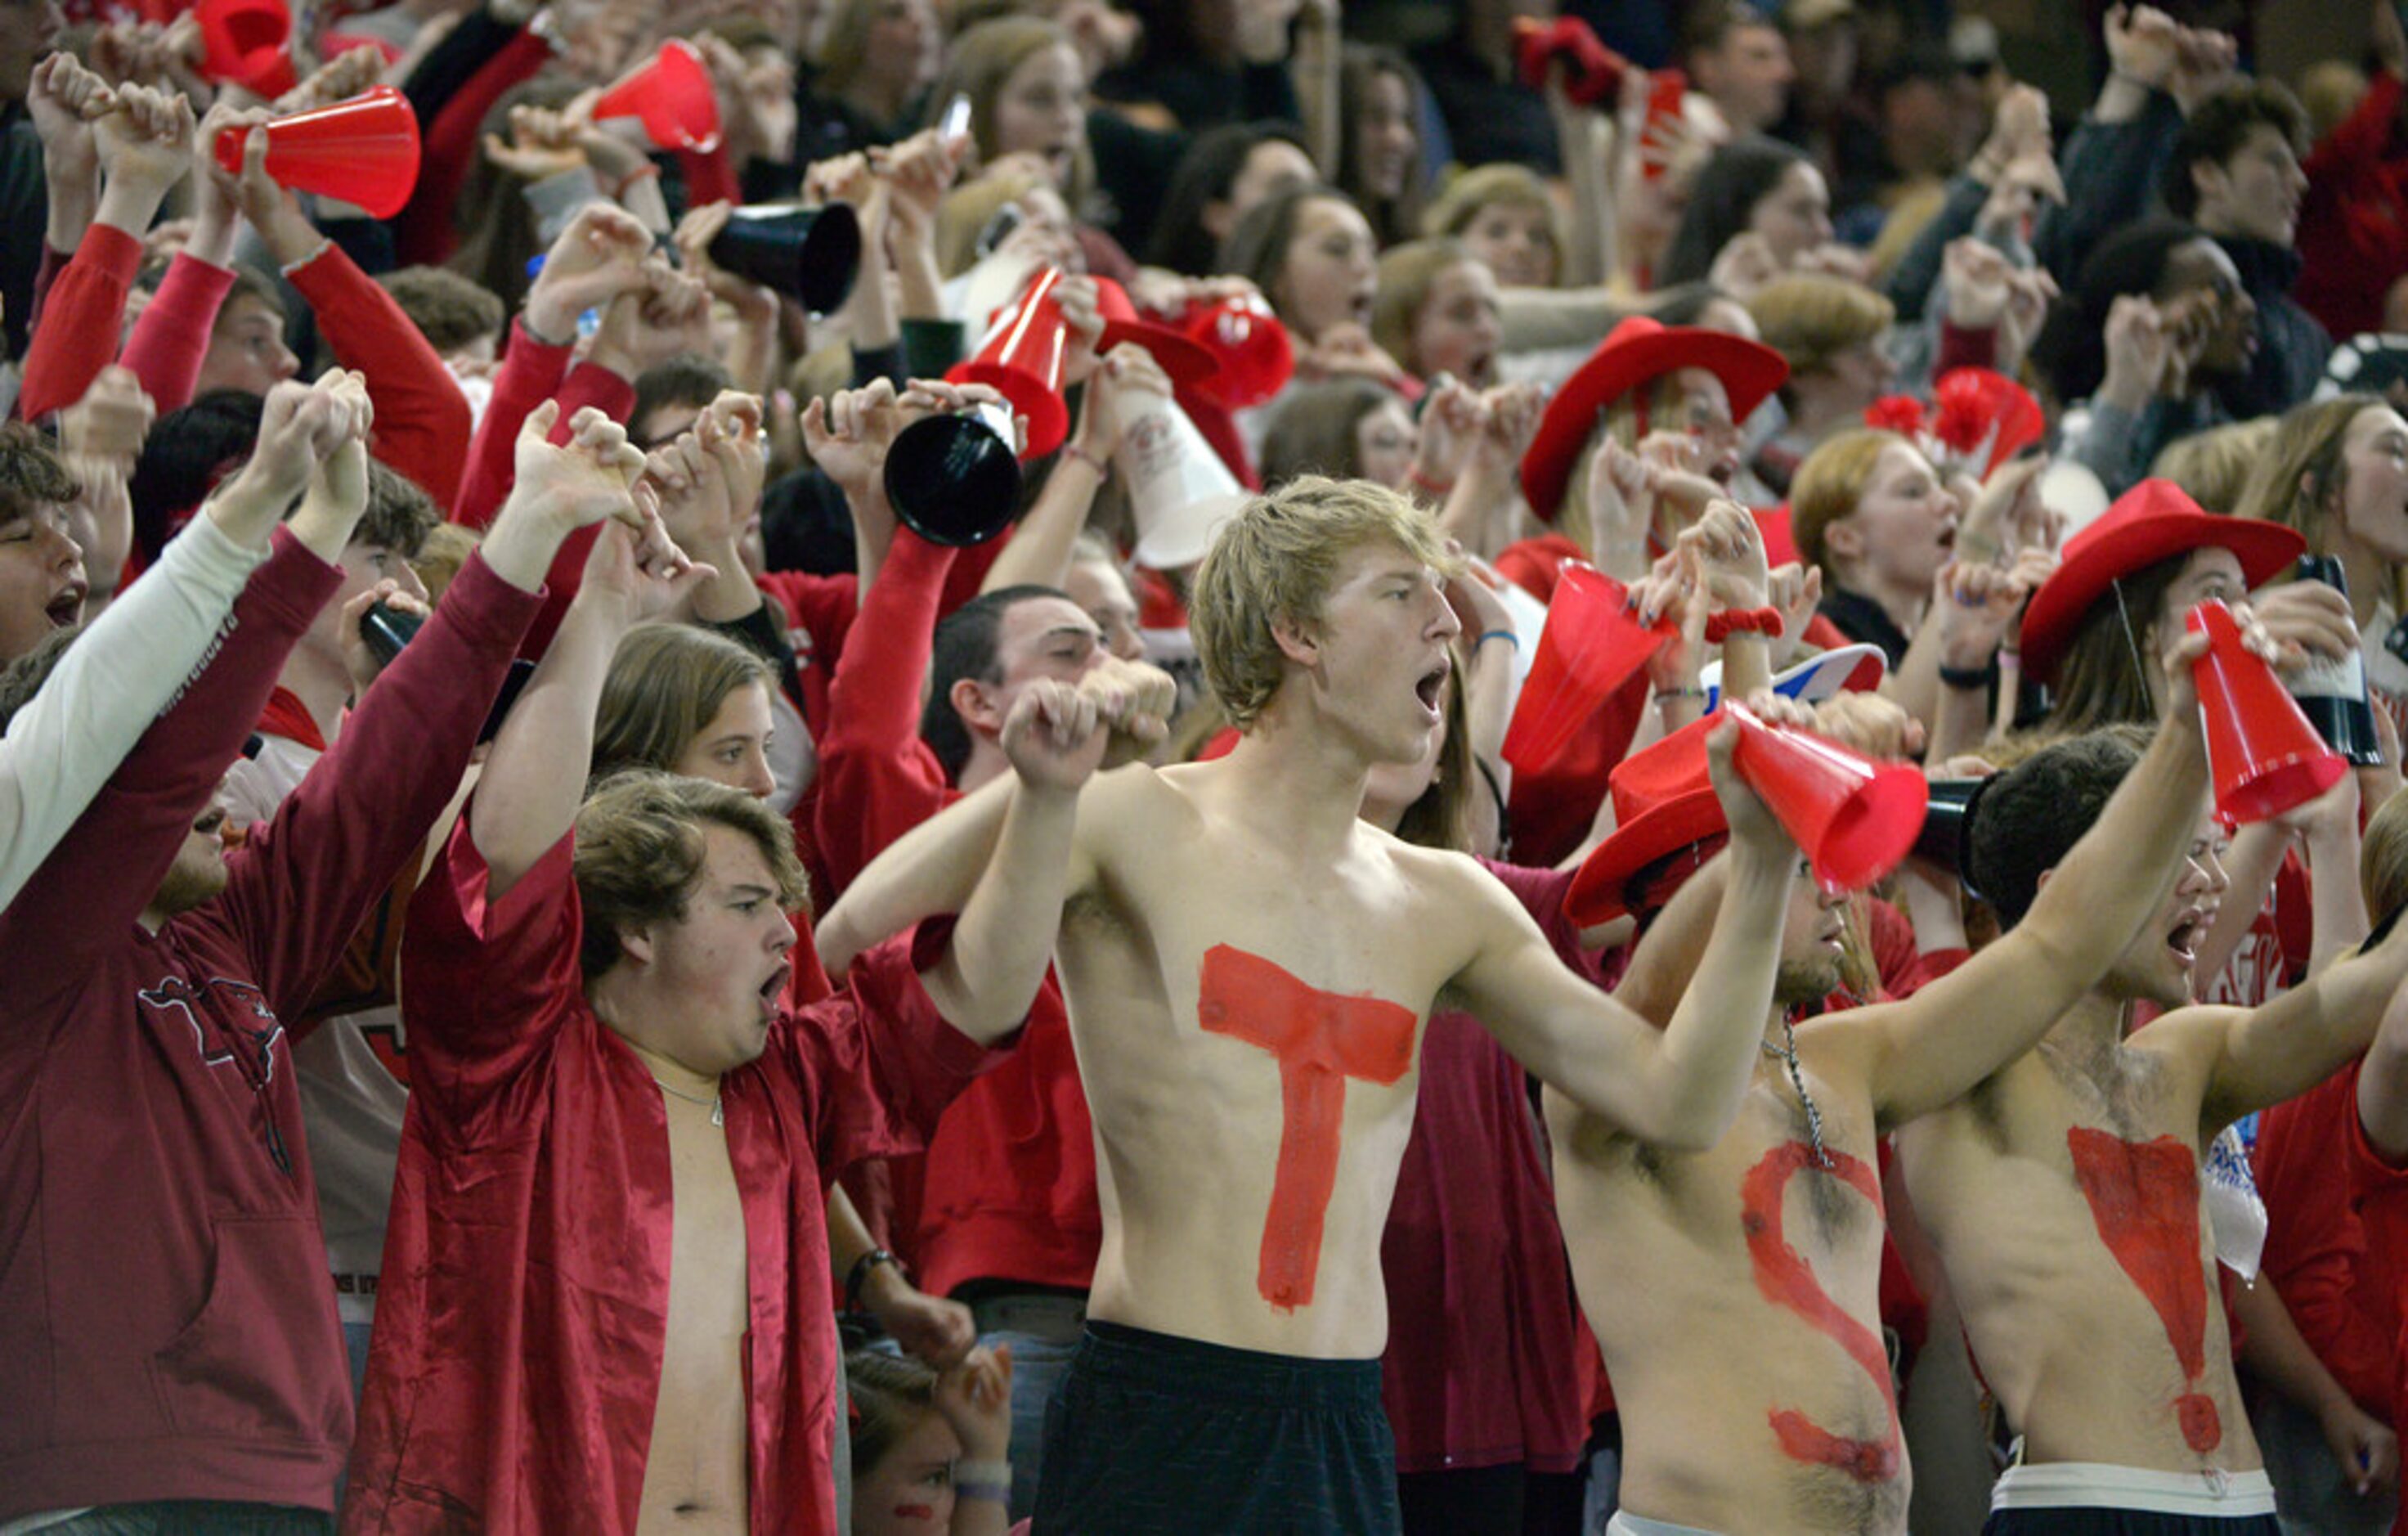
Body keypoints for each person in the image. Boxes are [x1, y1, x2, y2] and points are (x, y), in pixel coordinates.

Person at [824, 476, 1807, 1534]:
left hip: (1342, 1427)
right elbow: (844, 935)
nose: (1446, 616)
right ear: (1294, 632)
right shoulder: (1126, 817)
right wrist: (1040, 794)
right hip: (1159, 1415)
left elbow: (1676, 1103)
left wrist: (1760, 865)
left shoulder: (1448, 896)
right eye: (1399, 592)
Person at [342, 421, 1110, 1532]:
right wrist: (601, 604)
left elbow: (968, 1002)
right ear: (640, 927)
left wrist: (1046, 802)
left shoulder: (786, 1080)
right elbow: (509, 853)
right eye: (748, 906)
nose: (777, 941)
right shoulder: (507, 1065)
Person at [0, 372, 597, 1529]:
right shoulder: (32, 945)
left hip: (276, 1457)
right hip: (97, 1477)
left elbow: (382, 776)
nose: (236, 784)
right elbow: (158, 748)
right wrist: (291, 535)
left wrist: (526, 532)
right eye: (203, 770)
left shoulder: (225, 931)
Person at [1545, 526, 2216, 1536]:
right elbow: (1649, 1002)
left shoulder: (1846, 1057)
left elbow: (2052, 949)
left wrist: (2183, 735)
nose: (1843, 892)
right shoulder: (1605, 1083)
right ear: (1703, 877)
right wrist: (1756, 817)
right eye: (1802, 861)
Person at [1897, 724, 2408, 1531]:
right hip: (2078, 1510)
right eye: (2184, 855)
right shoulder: (1956, 1077)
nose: (2212, 882)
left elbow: (2368, 986)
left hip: (2244, 1509)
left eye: (2214, 850)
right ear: (2075, 883)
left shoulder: (2186, 1055)